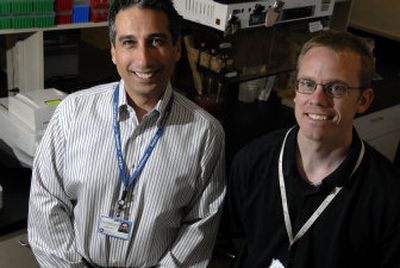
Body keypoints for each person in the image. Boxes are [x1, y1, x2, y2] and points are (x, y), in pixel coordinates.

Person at [28, 1, 226, 267]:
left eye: (155, 41)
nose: (143, 59)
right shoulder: (72, 113)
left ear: (176, 48)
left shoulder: (206, 134)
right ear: (113, 51)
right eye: (129, 42)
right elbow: (46, 202)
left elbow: (199, 227)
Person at [223, 30, 400, 268]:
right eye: (307, 84)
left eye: (336, 88)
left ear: (363, 100)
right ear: (295, 91)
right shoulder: (252, 160)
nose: (317, 99)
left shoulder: (388, 195)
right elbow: (230, 241)